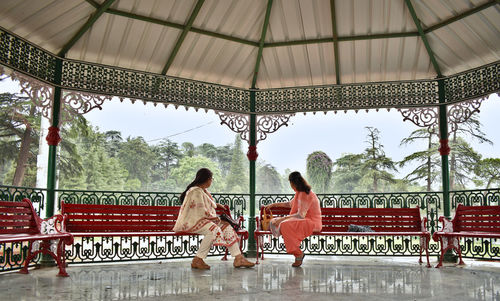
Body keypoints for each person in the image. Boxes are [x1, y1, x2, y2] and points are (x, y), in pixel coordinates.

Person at [173, 168, 255, 269]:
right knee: (213, 229)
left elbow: (204, 207)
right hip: (192, 222)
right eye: (211, 179)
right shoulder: (196, 191)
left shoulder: (203, 191)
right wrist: (217, 220)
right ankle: (198, 260)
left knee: (227, 227)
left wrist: (216, 205)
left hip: (203, 221)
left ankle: (238, 258)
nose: (211, 181)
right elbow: (200, 211)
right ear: (207, 179)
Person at [265, 171, 322, 267]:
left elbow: (300, 215)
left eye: (290, 183)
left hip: (312, 223)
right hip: (304, 221)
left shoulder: (306, 194)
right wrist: (274, 204)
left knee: (284, 225)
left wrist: (282, 219)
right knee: (277, 222)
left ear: (293, 183)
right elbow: (289, 204)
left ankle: (298, 254)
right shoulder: (299, 193)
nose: (290, 185)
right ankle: (298, 254)